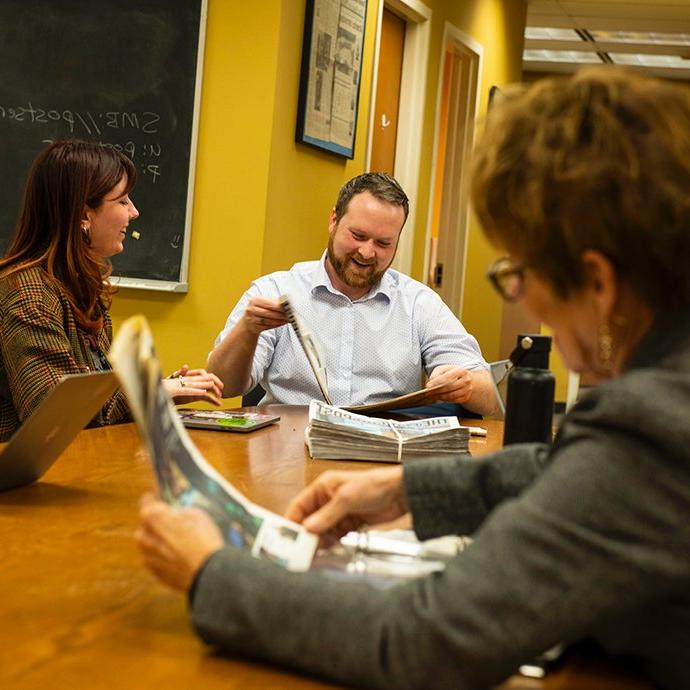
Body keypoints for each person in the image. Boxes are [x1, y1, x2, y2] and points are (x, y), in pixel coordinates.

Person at [137, 67, 690, 689]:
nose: (526, 302)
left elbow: (426, 640)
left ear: (599, 282)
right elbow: (568, 475)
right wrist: (407, 491)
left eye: (521, 272)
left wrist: (212, 572)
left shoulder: (653, 422)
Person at [207, 172, 496, 414]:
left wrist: (466, 384)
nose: (367, 252)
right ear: (333, 220)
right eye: (358, 236)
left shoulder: (419, 303)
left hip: (381, 456)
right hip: (287, 451)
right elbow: (224, 385)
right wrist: (247, 330)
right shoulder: (275, 290)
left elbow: (490, 398)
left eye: (383, 243)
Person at [0, 139, 223, 442]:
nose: (134, 212)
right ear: (83, 214)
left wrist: (166, 389)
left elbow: (99, 402)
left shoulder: (82, 289)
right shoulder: (29, 296)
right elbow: (54, 417)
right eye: (122, 201)